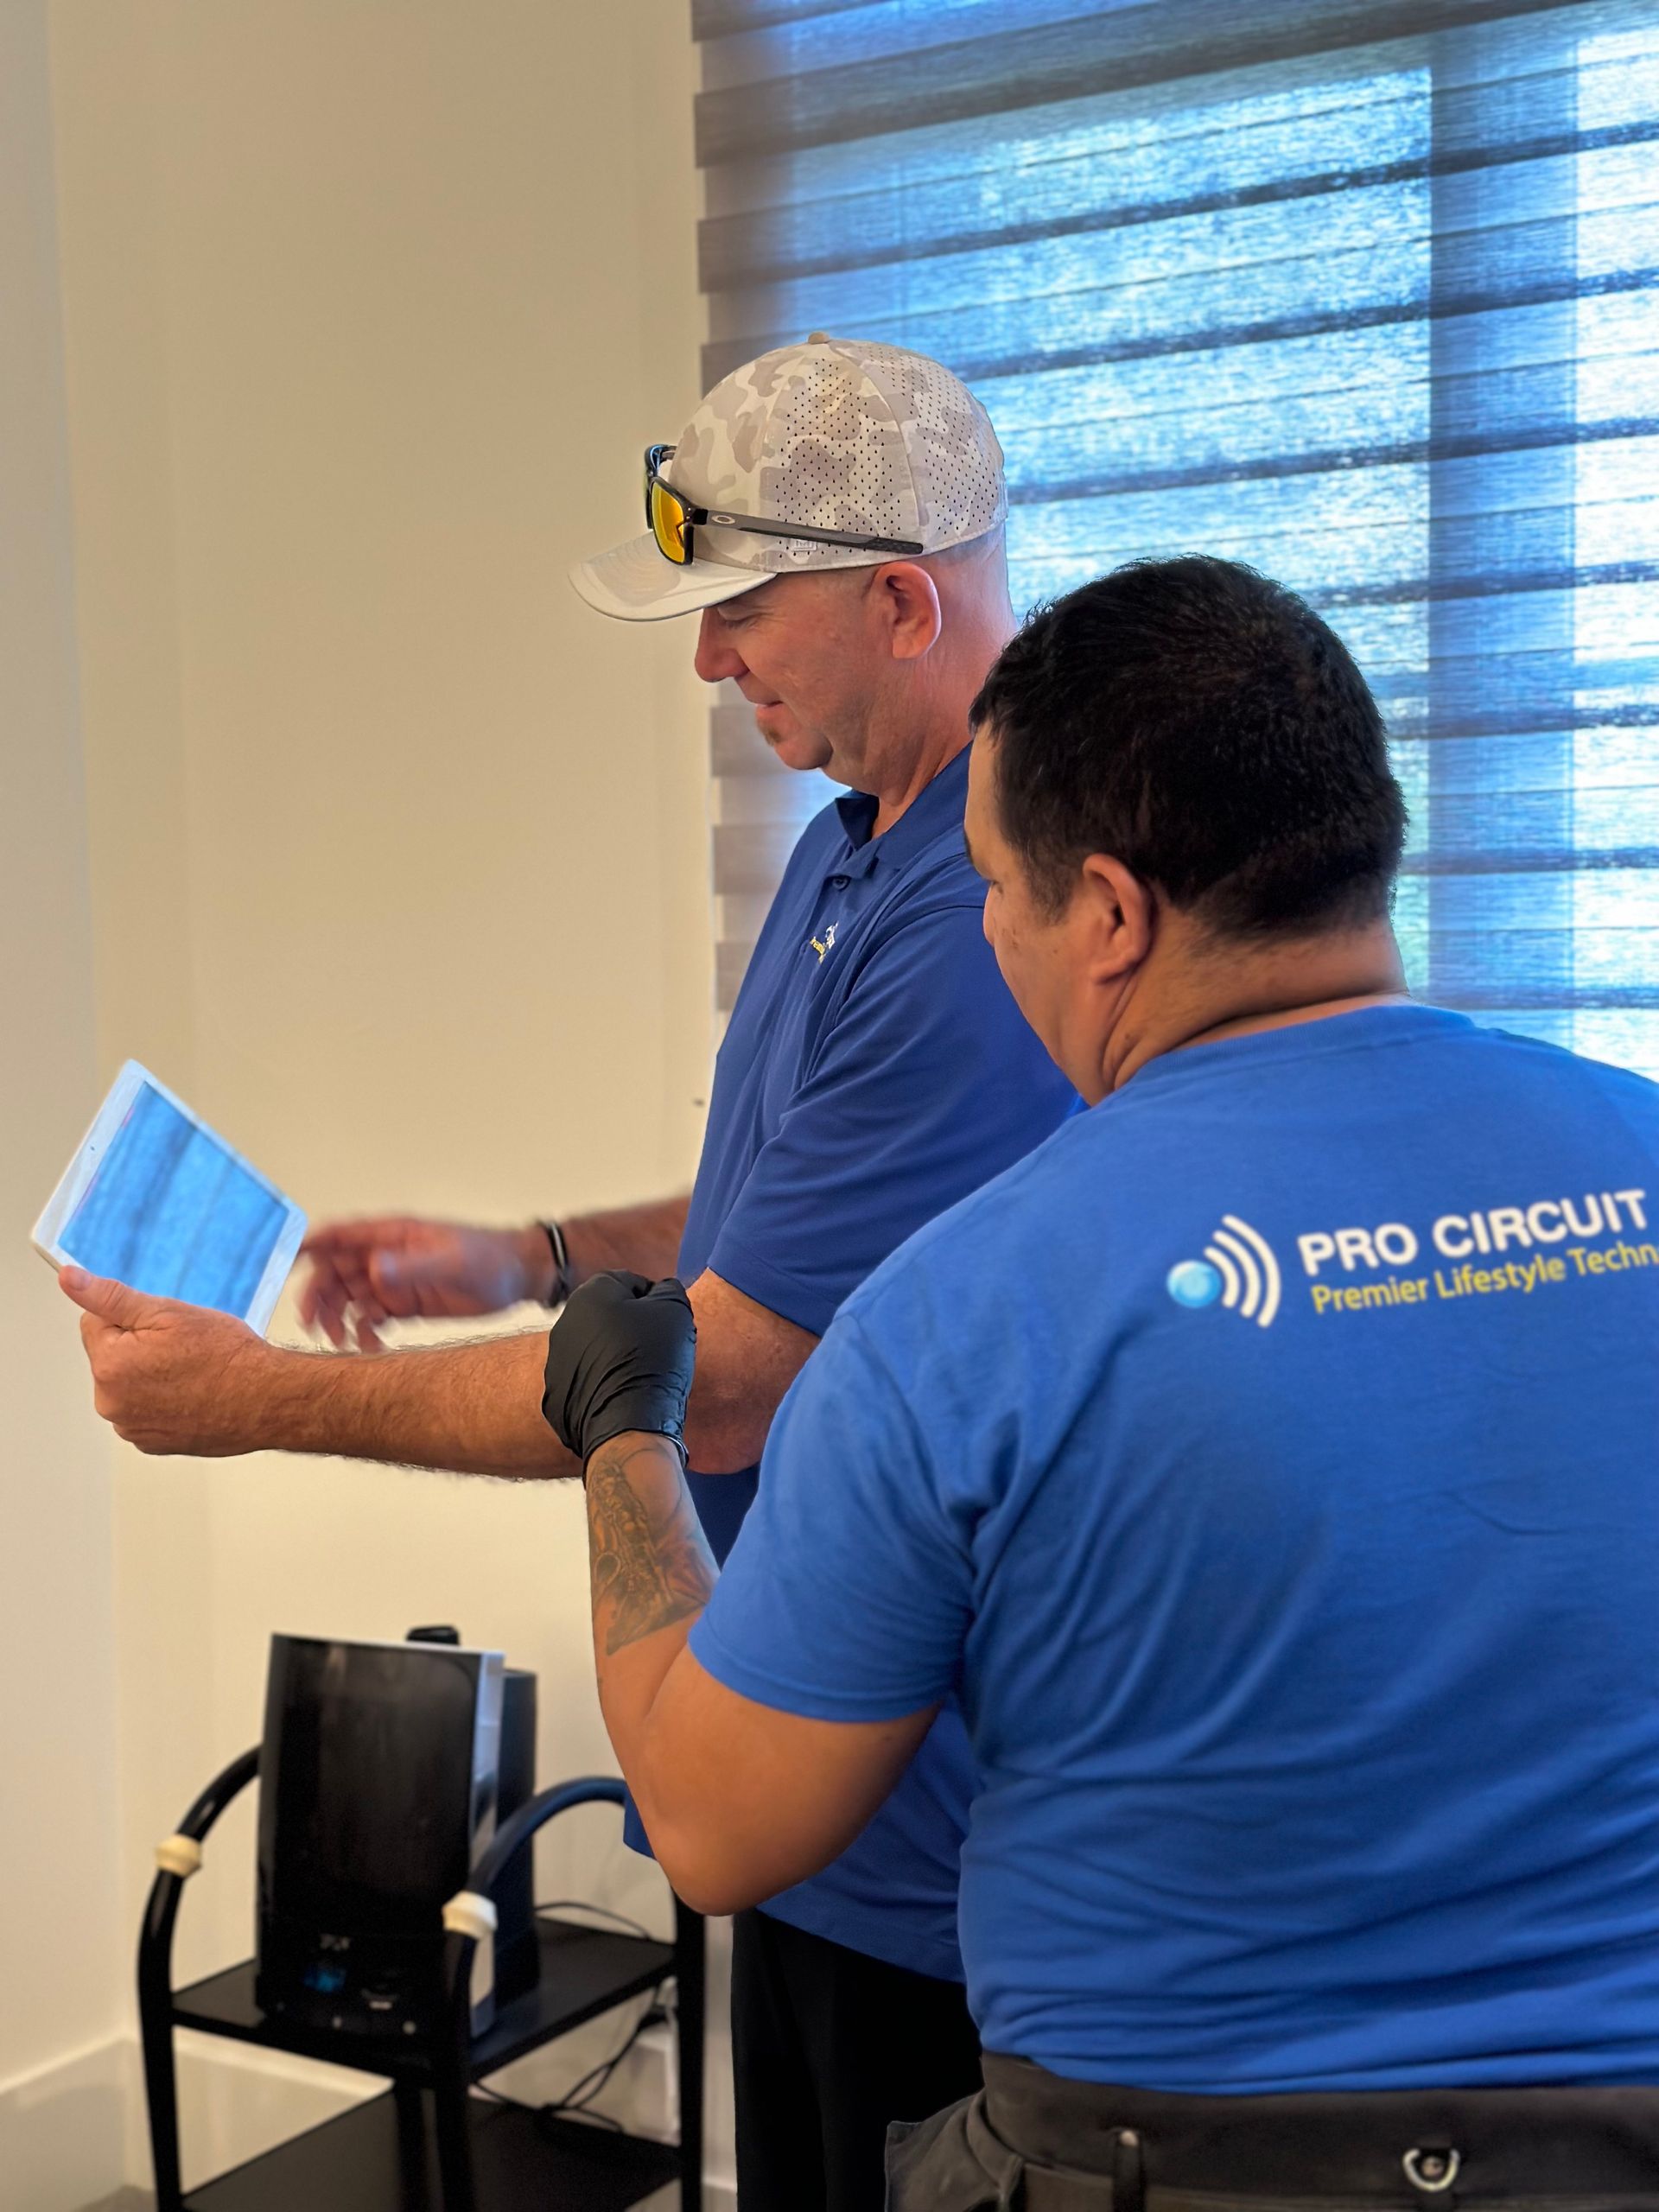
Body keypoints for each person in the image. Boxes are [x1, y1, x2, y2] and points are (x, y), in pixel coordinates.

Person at [61, 336, 1078, 2210]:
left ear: (901, 600)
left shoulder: (978, 916)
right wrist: (525, 1255)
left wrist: (250, 1399)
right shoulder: (849, 846)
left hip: (930, 1840)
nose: (708, 662)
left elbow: (723, 1377)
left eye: (741, 612)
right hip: (810, 1793)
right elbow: (784, 1214)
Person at [538, 555, 1659, 2212]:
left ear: (1113, 916)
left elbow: (714, 1826)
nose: (990, 930)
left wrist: (620, 1426)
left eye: (997, 888)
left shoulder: (964, 1309)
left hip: (1158, 2156)